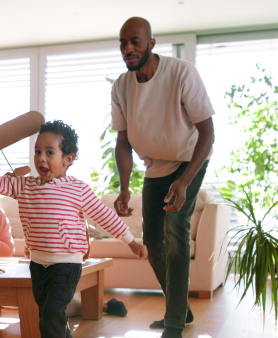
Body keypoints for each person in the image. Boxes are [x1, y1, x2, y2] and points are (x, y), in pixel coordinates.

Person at [0, 120, 148, 338]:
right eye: (38, 151)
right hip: (38, 264)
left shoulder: (77, 188)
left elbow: (104, 215)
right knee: (47, 315)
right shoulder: (24, 185)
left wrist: (132, 242)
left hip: (67, 263)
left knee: (52, 312)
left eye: (50, 152)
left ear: (67, 159)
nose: (41, 157)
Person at [111, 17, 215, 338]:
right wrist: (125, 188)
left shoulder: (181, 72)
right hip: (155, 167)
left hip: (189, 160)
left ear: (151, 44)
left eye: (135, 42)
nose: (128, 49)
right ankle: (179, 307)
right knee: (152, 242)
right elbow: (123, 142)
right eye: (123, 43)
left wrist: (184, 182)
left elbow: (208, 132)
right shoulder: (121, 86)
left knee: (174, 228)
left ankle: (173, 325)